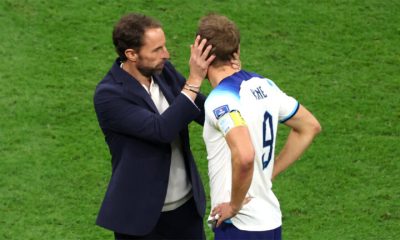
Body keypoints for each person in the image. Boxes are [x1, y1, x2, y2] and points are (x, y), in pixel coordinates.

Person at [93, 13, 216, 239]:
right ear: (131, 54)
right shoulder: (109, 95)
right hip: (140, 219)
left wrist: (230, 86)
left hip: (187, 210)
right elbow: (161, 130)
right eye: (157, 50)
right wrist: (194, 80)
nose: (166, 55)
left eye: (164, 46)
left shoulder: (163, 72)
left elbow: (201, 109)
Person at [199, 14, 322, 239]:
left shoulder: (220, 100)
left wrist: (234, 206)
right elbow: (309, 126)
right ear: (235, 51)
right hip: (270, 220)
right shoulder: (264, 85)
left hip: (240, 225)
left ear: (202, 52)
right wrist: (270, 172)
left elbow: (245, 156)